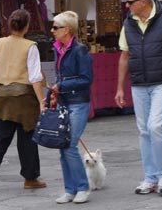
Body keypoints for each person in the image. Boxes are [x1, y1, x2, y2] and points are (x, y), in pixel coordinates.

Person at [115, 0, 162, 196]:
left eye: (130, 2)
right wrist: (120, 88)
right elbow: (124, 57)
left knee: (155, 127)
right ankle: (150, 178)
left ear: (144, 2)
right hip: (139, 83)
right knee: (144, 131)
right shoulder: (128, 23)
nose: (126, 6)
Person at [0, 9, 47, 192]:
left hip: (4, 95)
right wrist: (41, 101)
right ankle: (30, 177)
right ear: (27, 26)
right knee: (28, 136)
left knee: (1, 135)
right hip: (24, 97)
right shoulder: (30, 46)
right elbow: (35, 76)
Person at [50, 11, 94, 204]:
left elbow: (86, 79)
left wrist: (62, 86)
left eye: (55, 27)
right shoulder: (57, 49)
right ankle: (70, 189)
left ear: (67, 30)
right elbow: (60, 76)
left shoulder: (79, 50)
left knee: (69, 145)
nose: (52, 31)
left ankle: (82, 187)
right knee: (63, 146)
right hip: (64, 101)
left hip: (78, 102)